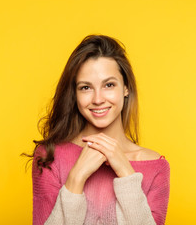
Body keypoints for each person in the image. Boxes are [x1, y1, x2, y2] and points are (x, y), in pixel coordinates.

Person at [25, 35, 170, 225]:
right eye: (86, 88)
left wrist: (127, 174)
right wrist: (75, 179)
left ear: (126, 88)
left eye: (109, 85)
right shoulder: (49, 156)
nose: (98, 99)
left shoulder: (156, 167)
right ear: (75, 94)